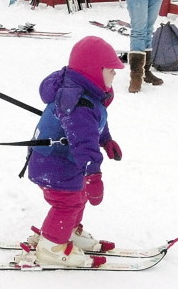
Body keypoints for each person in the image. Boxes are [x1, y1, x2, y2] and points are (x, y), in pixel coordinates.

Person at [24, 36, 124, 268]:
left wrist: (106, 139)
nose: (115, 74)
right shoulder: (77, 103)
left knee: (77, 197)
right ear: (94, 70)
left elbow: (94, 123)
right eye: (111, 70)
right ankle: (51, 245)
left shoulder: (88, 95)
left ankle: (67, 230)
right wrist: (94, 175)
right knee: (67, 203)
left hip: (62, 162)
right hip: (54, 163)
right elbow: (83, 143)